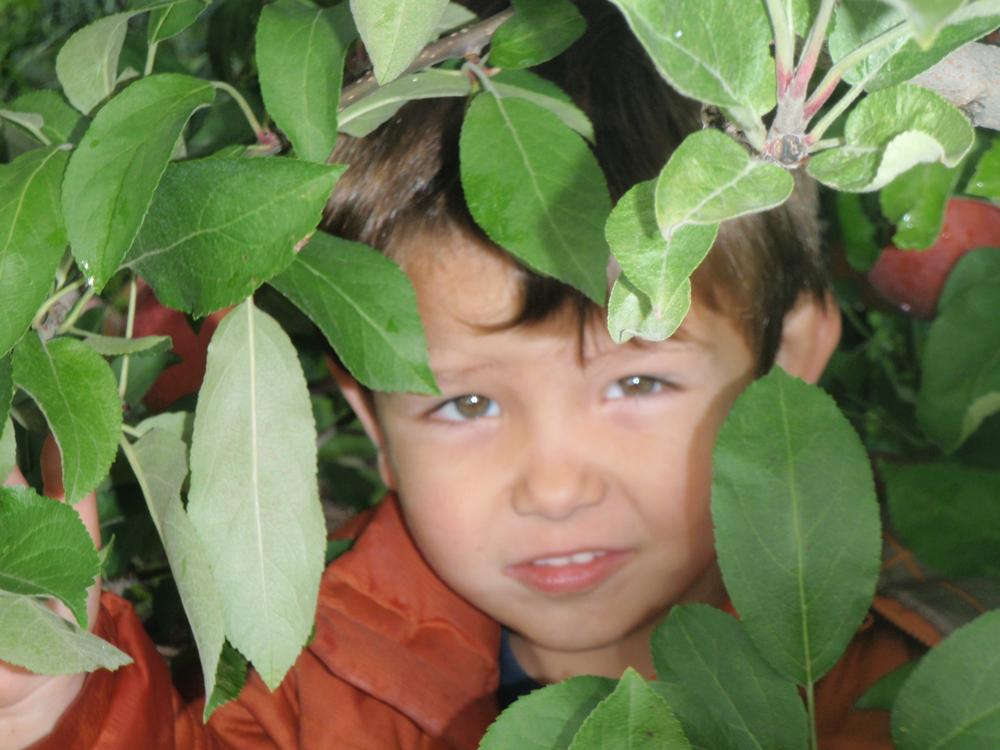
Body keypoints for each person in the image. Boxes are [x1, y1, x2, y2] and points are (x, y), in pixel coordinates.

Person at [2, 2, 936, 748]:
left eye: (639, 384)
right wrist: (50, 712)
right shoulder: (319, 671)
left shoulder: (904, 696)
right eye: (469, 402)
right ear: (376, 426)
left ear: (791, 360)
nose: (556, 489)